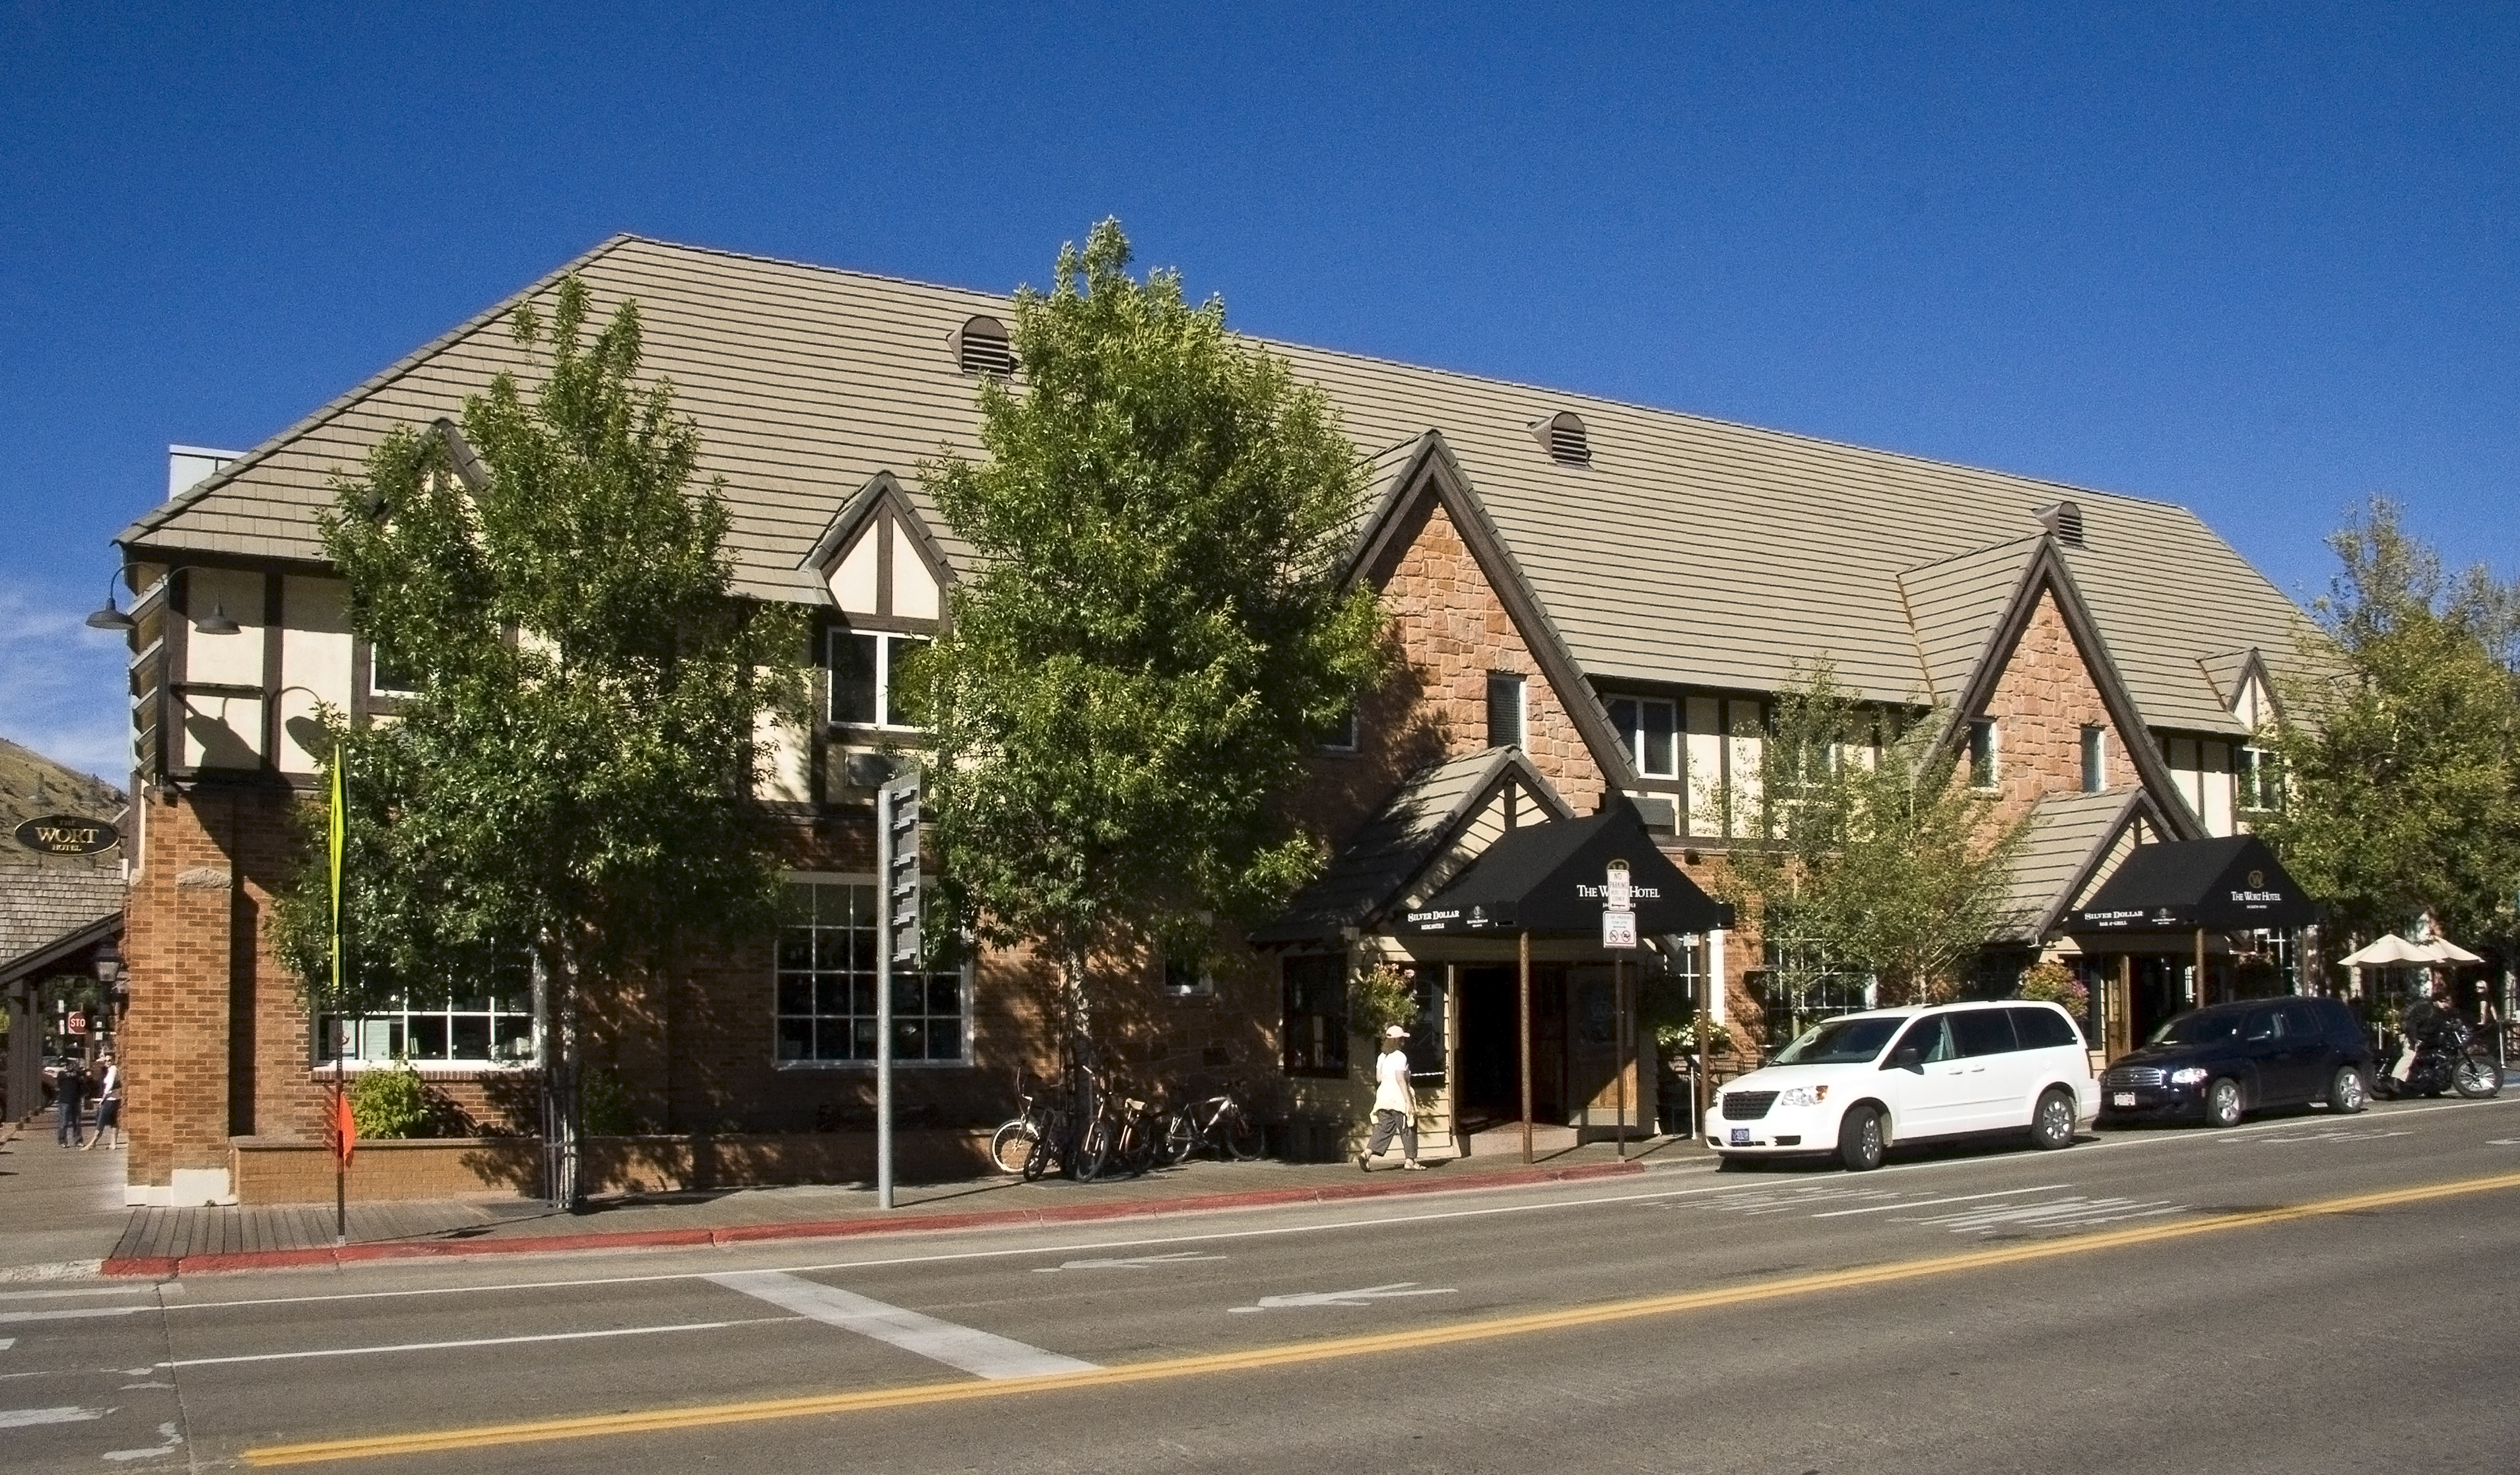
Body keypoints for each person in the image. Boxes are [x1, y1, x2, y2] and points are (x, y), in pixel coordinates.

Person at [1358, 1024, 1426, 1171]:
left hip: (1383, 1097)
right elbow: (1400, 1078)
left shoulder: (1382, 1057)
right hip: (1398, 1097)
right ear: (1398, 1040)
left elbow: (1378, 1078)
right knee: (1408, 1126)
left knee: (1383, 1129)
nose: (1404, 1041)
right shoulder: (1401, 1057)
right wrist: (1408, 1101)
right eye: (1402, 1039)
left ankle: (1366, 1154)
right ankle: (1410, 1161)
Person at [2394, 983, 2447, 1082]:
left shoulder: (2440, 1013)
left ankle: (2433, 1086)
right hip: (2412, 1037)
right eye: (2442, 1002)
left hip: (2425, 1040)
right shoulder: (2426, 1010)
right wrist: (2414, 1039)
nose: (2445, 1004)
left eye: (2446, 1002)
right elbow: (2412, 1023)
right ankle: (2396, 1080)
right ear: (2435, 1002)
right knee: (2409, 1056)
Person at [84, 1053, 122, 1151]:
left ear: (113, 1060)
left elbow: (110, 1085)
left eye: (109, 1060)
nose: (107, 1062)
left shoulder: (113, 1070)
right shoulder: (112, 1070)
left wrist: (103, 1098)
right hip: (115, 1099)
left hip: (110, 1100)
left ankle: (93, 1143)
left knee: (101, 1121)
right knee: (113, 1121)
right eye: (106, 1061)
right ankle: (113, 1144)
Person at [53, 1058, 86, 1148]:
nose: (69, 1067)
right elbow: (59, 1084)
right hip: (65, 1101)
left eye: (71, 1065)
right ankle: (62, 1140)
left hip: (76, 1100)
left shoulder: (77, 1074)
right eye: (68, 1065)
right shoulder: (62, 1074)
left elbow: (82, 1084)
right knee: (64, 1122)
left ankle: (78, 1140)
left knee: (77, 1122)